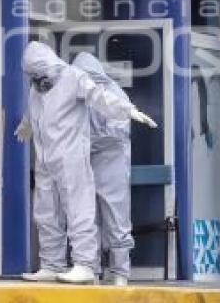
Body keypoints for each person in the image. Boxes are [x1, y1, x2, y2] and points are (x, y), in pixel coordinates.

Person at [15, 42, 156, 284]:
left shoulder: (73, 78)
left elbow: (100, 98)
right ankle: (51, 263)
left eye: (40, 73)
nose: (39, 79)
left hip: (74, 155)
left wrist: (128, 110)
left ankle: (90, 265)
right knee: (46, 212)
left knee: (83, 210)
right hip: (46, 157)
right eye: (33, 75)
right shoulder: (38, 89)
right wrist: (25, 126)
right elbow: (33, 112)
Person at [72, 52, 134, 286]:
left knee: (115, 214)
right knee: (87, 215)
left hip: (112, 161)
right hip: (86, 159)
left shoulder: (114, 94)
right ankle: (91, 267)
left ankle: (119, 270)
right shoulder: (79, 95)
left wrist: (87, 140)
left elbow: (116, 133)